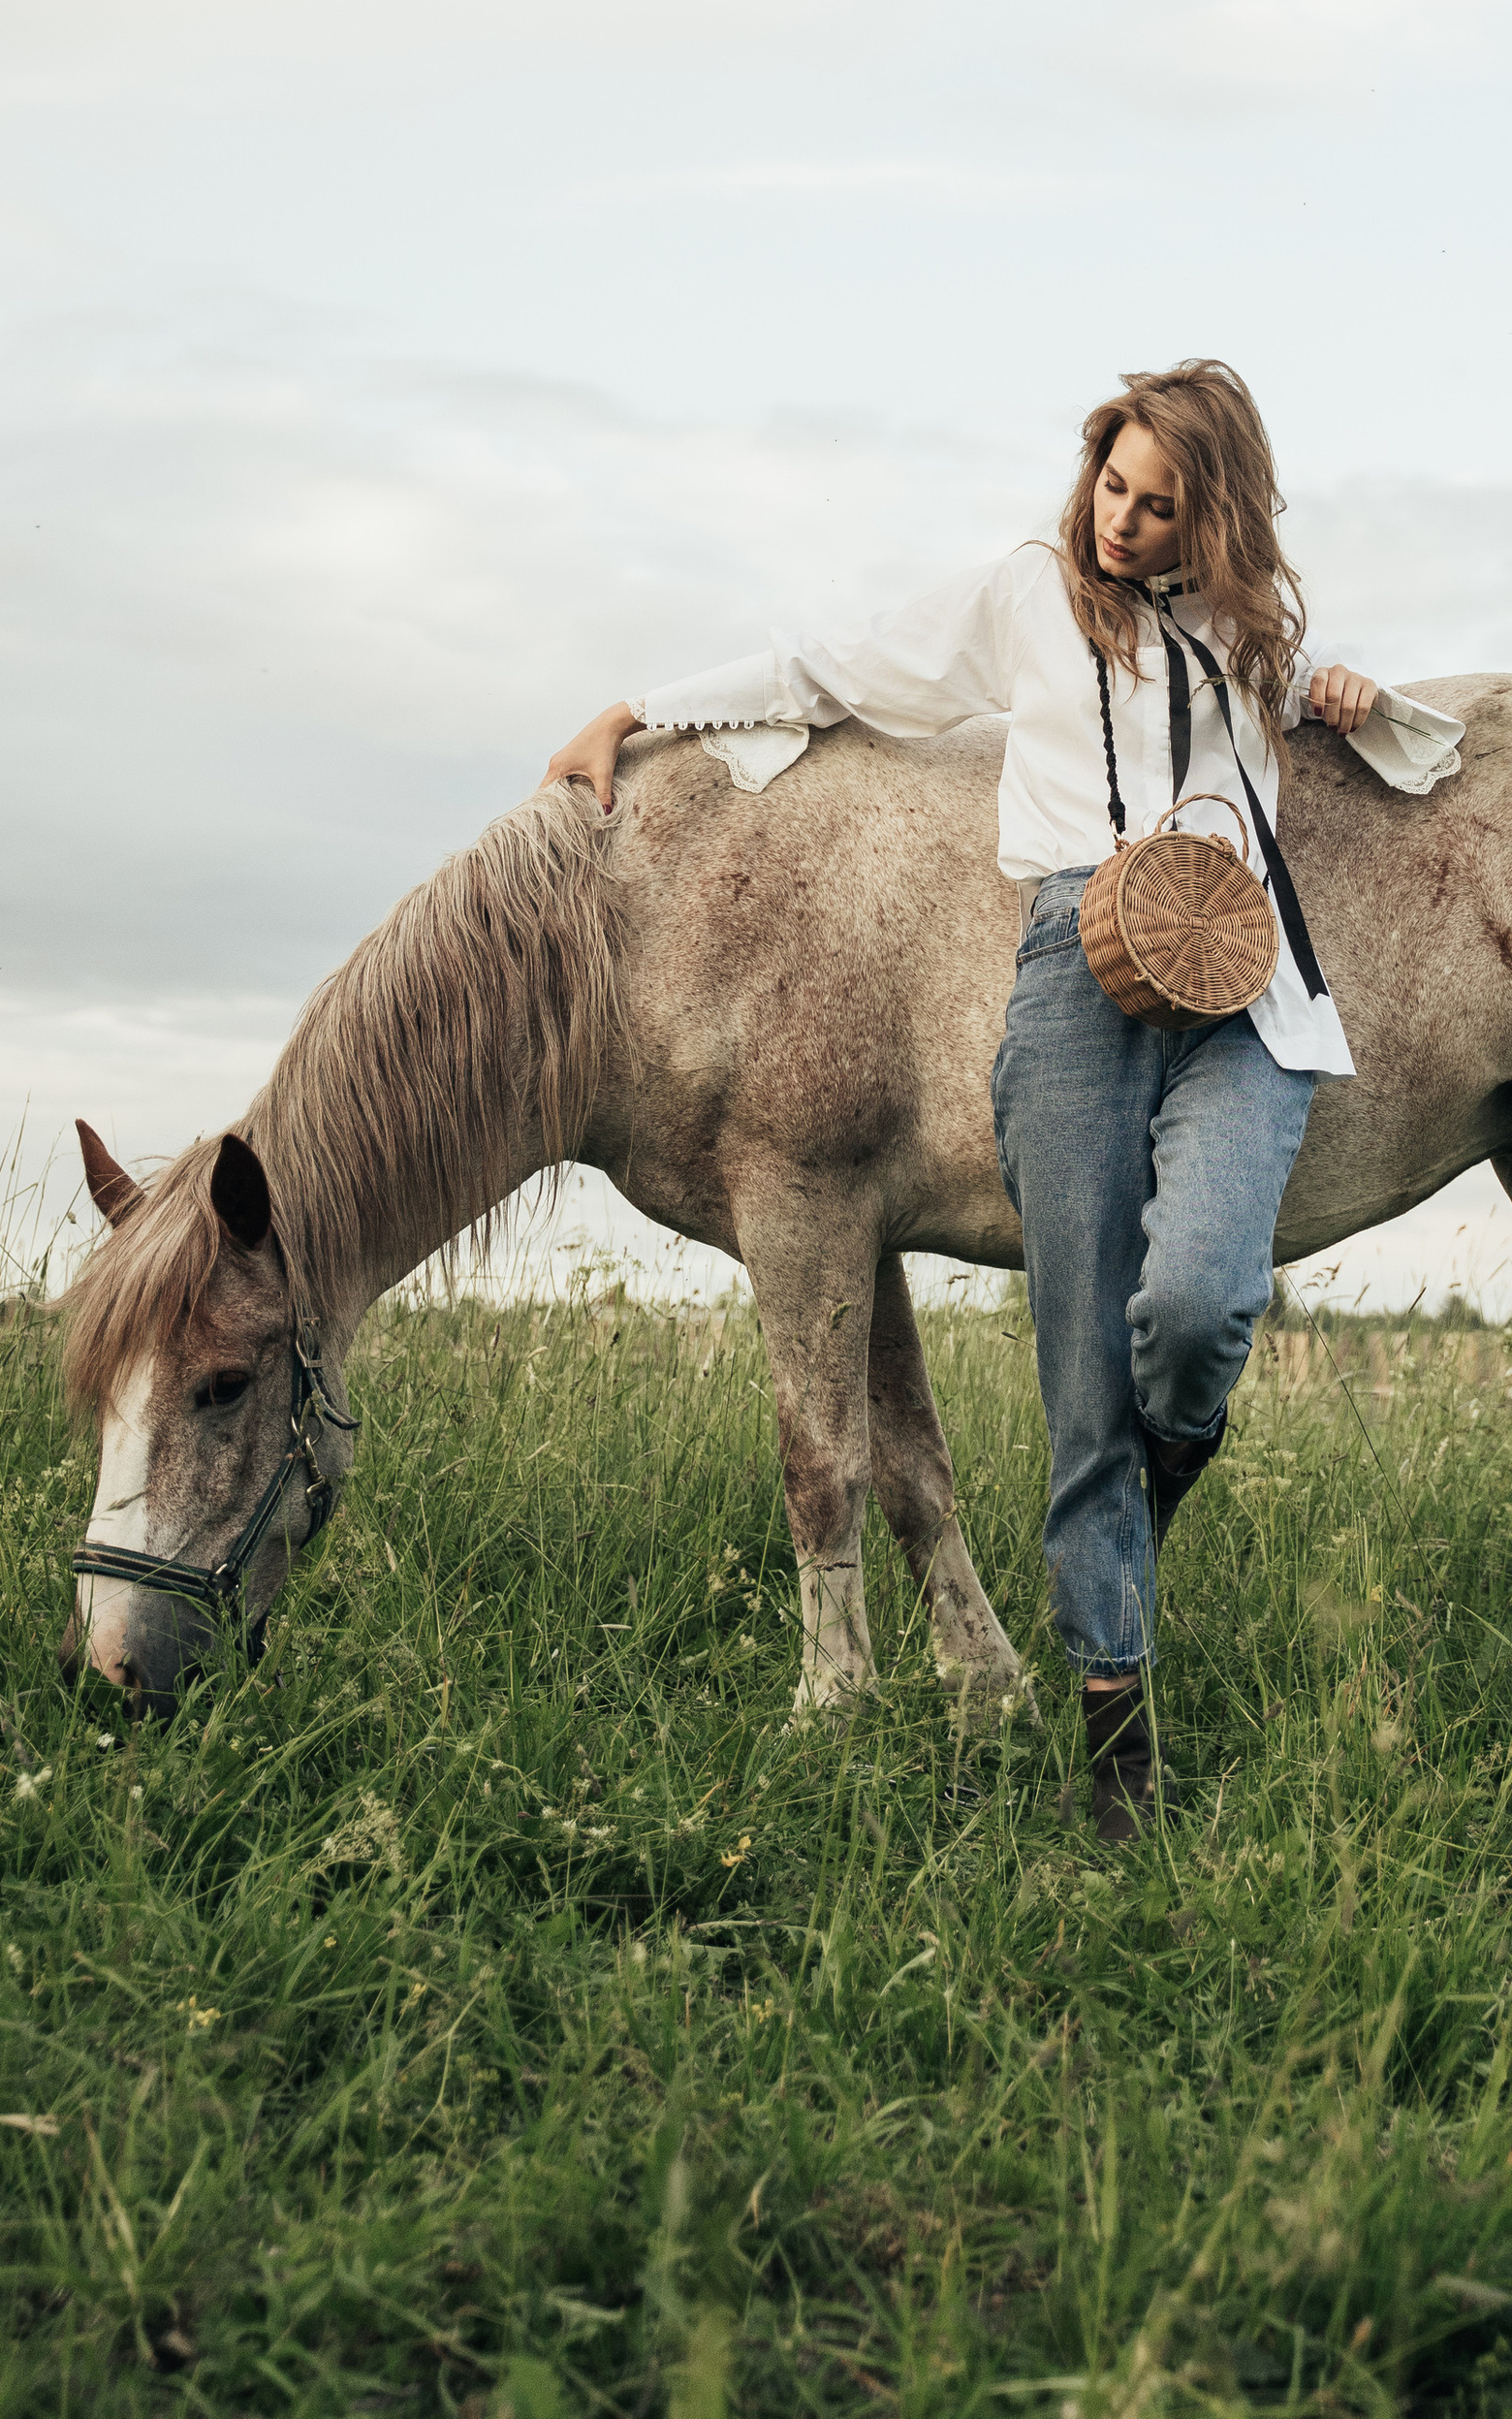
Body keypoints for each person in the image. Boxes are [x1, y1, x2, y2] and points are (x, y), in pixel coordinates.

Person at [542, 358, 1462, 1838]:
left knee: (1200, 1309)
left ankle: (1156, 1476)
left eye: (1161, 509)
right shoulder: (1025, 597)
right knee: (1081, 1380)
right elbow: (828, 671)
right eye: (1114, 489)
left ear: (1214, 514)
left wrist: (1362, 694)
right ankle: (1115, 1742)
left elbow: (1423, 747)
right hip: (1072, 979)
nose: (1124, 525)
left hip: (1240, 985)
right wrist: (638, 711)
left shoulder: (1252, 634)